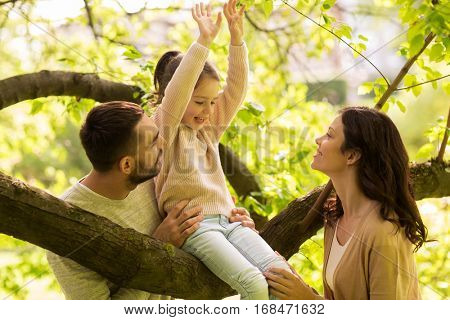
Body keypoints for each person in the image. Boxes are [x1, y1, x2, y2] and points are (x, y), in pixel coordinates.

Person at [46, 101, 255, 299]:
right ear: (127, 165)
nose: (164, 144)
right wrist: (155, 250)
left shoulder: (155, 177)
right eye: (153, 142)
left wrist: (231, 224)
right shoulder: (68, 229)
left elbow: (201, 231)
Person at [152, 0, 290, 300]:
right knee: (253, 284)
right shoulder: (165, 130)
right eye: (200, 101)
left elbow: (237, 89)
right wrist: (203, 40)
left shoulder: (208, 130)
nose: (207, 111)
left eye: (212, 102)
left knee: (282, 276)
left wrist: (237, 38)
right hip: (197, 228)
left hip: (230, 221)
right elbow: (177, 92)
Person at [264, 107, 426, 300]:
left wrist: (308, 300)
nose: (318, 139)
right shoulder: (335, 219)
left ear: (351, 156)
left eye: (329, 135)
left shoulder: (383, 232)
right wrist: (297, 286)